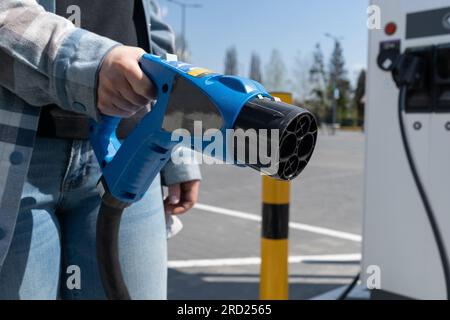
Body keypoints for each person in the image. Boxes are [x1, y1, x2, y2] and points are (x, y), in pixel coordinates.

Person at [0, 0, 201, 299]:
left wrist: (178, 149)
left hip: (131, 152)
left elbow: (154, 32)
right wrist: (88, 64)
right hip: (17, 157)